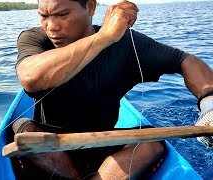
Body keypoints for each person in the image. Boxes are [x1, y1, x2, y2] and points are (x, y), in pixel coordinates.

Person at [11, 0, 213, 179]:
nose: (51, 26)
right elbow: (31, 78)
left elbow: (184, 60)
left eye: (62, 14)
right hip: (51, 147)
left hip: (102, 142)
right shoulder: (34, 38)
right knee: (24, 129)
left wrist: (209, 105)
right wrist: (105, 37)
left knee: (152, 142)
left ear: (90, 7)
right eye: (43, 16)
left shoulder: (125, 43)